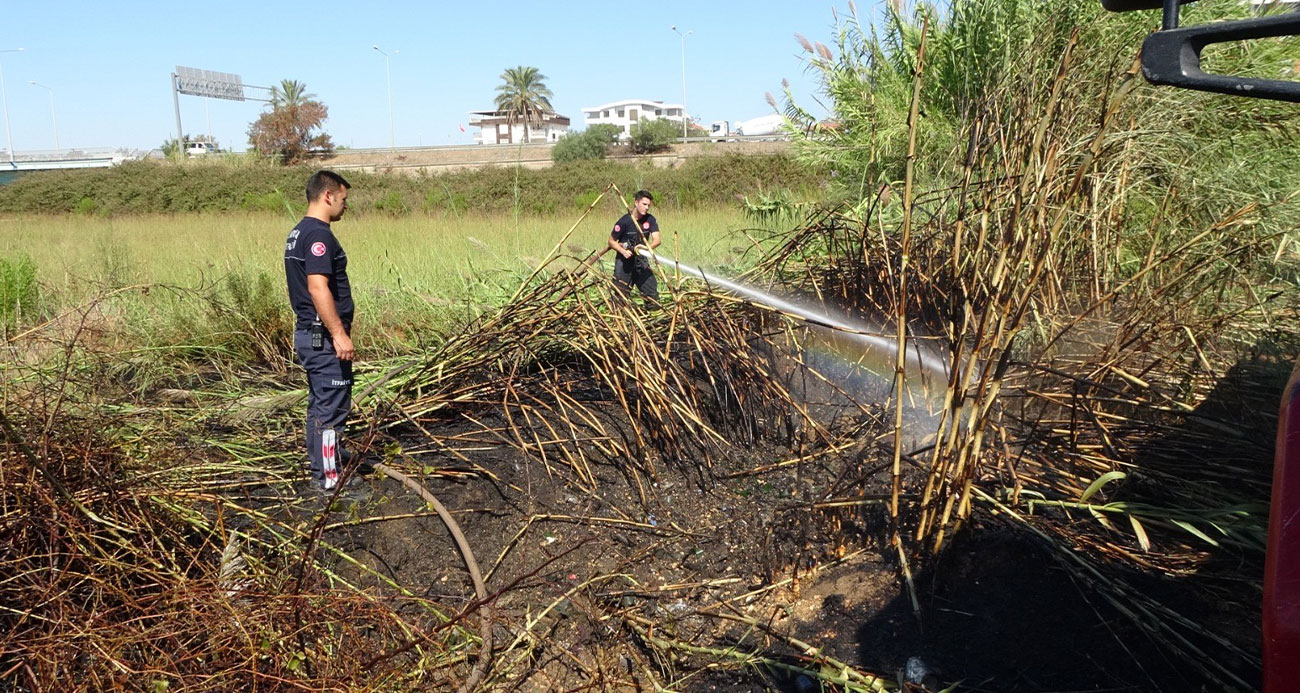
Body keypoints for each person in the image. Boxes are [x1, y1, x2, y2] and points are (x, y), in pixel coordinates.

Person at [284, 170, 358, 491]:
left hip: (309, 334)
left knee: (319, 407)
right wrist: (339, 333)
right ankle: (330, 482)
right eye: (343, 199)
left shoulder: (298, 232)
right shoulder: (318, 236)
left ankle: (323, 467)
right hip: (323, 339)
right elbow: (317, 287)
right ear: (328, 196)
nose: (345, 205)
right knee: (331, 411)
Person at [608, 190, 662, 308]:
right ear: (636, 202)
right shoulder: (624, 221)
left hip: (641, 261)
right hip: (624, 263)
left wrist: (646, 247)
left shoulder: (650, 220)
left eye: (648, 205)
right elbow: (611, 241)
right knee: (620, 298)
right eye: (644, 204)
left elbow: (657, 240)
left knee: (652, 297)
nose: (647, 208)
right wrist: (623, 251)